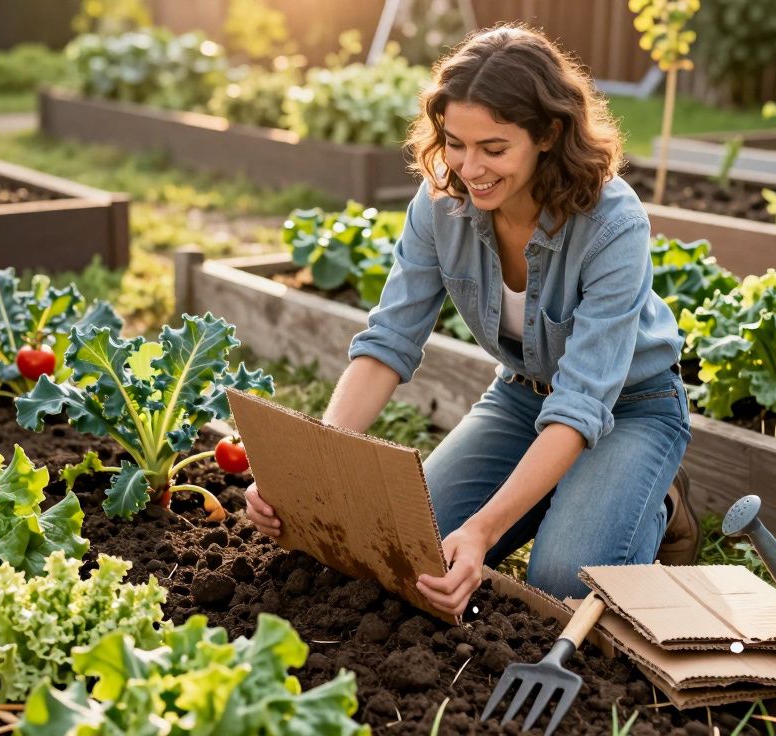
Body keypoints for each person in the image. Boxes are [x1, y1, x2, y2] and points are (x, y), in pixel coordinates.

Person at [246, 24, 696, 617]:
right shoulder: (440, 207)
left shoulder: (613, 223)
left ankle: (656, 501)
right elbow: (388, 342)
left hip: (630, 409)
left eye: (493, 148)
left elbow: (584, 400)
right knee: (410, 551)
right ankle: (564, 490)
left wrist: (484, 532)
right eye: (455, 142)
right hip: (521, 401)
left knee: (563, 583)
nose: (469, 167)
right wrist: (314, 471)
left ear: (548, 134)